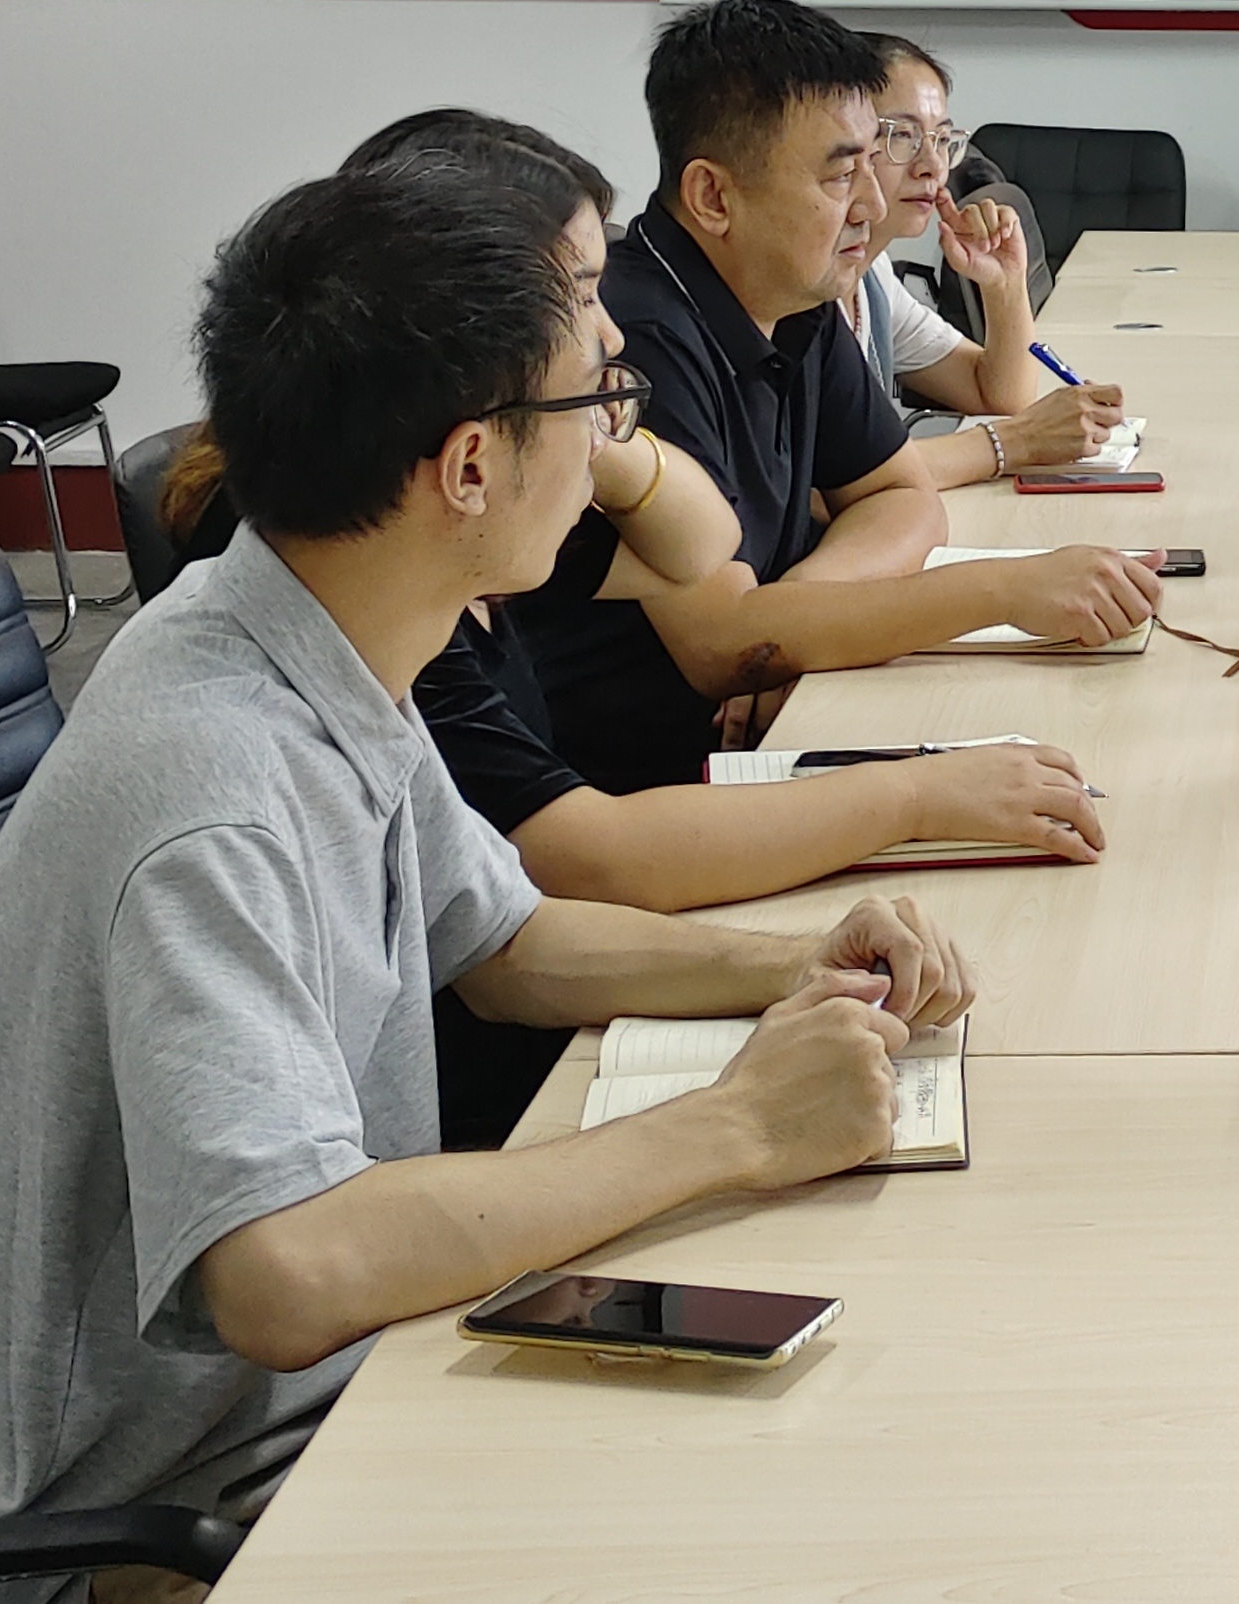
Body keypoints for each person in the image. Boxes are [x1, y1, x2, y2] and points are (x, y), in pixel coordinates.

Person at [0, 156, 972, 1536]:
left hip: (258, 1419)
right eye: (597, 399)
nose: (617, 425)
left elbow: (509, 944)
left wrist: (793, 967)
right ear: (471, 467)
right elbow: (286, 1274)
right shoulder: (214, 784)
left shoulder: (309, 631)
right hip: (81, 1523)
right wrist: (740, 1125)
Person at [320, 114, 1112, 1146]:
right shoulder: (375, 607)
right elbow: (584, 861)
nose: (613, 338)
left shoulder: (446, 530)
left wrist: (595, 435)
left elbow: (503, 946)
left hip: (526, 1019)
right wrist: (915, 794)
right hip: (485, 1102)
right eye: (581, 298)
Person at [519, 0, 1160, 798]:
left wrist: (792, 614)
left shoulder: (800, 296)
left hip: (780, 726)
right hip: (646, 789)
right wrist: (1004, 590)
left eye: (868, 165)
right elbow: (720, 648)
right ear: (714, 197)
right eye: (839, 174)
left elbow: (902, 495)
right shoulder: (633, 340)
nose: (871, 205)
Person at [843, 31, 1127, 468]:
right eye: (904, 136)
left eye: (941, 140)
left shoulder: (873, 276)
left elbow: (997, 395)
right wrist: (1015, 441)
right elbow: (829, 485)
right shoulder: (795, 290)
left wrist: (1004, 284)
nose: (933, 166)